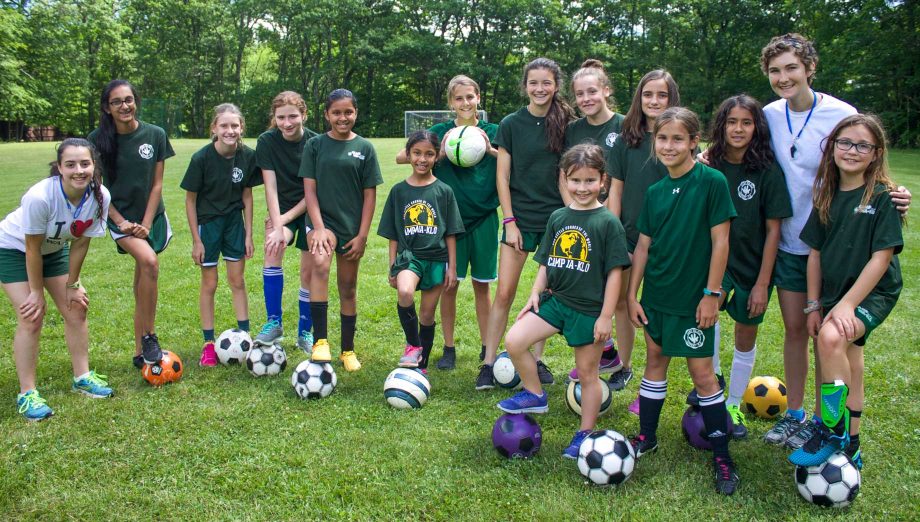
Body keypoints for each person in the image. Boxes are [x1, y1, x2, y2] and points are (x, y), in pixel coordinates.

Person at [756, 34, 913, 449]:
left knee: (827, 336)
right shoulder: (768, 114)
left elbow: (865, 159)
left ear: (810, 67)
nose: (783, 77)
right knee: (796, 328)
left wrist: (897, 196)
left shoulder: (841, 114)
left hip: (834, 244)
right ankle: (795, 415)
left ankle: (831, 426)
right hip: (793, 242)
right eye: (775, 70)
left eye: (792, 67)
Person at [626, 107, 740, 495]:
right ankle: (647, 437)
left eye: (678, 138)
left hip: (694, 301)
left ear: (695, 142)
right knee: (654, 362)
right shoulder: (656, 191)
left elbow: (721, 242)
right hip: (657, 296)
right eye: (662, 138)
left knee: (703, 375)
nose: (669, 146)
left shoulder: (712, 182)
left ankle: (722, 455)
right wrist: (631, 294)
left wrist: (711, 294)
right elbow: (643, 246)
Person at [497, 143, 629, 459]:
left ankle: (585, 433)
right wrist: (534, 293)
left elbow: (614, 274)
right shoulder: (558, 216)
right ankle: (534, 393)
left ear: (603, 181)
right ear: (565, 179)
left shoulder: (608, 222)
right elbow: (546, 261)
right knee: (514, 341)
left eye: (589, 181)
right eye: (575, 180)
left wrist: (605, 317)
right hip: (555, 302)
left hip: (588, 311)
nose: (582, 188)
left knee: (587, 373)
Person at [789, 114, 902, 470]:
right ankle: (851, 444)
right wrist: (813, 305)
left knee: (831, 340)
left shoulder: (882, 197)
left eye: (862, 145)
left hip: (872, 293)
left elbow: (882, 258)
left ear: (876, 153)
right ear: (832, 147)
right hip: (833, 291)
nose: (852, 151)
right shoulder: (826, 193)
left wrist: (849, 305)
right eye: (845, 143)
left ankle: (831, 429)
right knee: (849, 358)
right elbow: (815, 255)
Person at [687, 95, 792, 439]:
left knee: (745, 335)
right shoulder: (707, 163)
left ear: (756, 128)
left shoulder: (766, 170)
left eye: (746, 122)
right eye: (731, 122)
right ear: (721, 125)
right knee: (707, 318)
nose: (738, 129)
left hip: (752, 267)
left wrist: (763, 283)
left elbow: (774, 230)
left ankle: (734, 402)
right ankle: (713, 388)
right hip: (716, 264)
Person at [479, 57, 575, 390]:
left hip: (554, 221)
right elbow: (502, 176)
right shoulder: (511, 123)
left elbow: (569, 174)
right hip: (518, 219)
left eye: (546, 83)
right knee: (504, 293)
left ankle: (536, 360)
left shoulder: (566, 123)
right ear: (525, 85)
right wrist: (509, 222)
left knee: (546, 294)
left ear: (556, 86)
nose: (539, 89)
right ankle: (488, 362)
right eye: (533, 82)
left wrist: (572, 217)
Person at [0, 138, 114, 420]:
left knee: (77, 307)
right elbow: (31, 248)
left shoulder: (100, 196)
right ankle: (28, 394)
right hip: (13, 249)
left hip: (53, 250)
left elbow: (80, 244)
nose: (79, 170)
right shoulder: (40, 197)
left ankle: (82, 377)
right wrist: (36, 292)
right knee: (31, 315)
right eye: (70, 164)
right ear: (59, 168)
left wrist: (72, 285)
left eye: (85, 164)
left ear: (94, 165)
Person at [395, 75, 498, 371]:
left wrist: (489, 149)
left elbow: (512, 160)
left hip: (485, 218)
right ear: (451, 103)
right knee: (448, 285)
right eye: (459, 98)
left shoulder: (493, 131)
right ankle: (448, 347)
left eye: (470, 97)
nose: (465, 103)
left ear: (479, 97)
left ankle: (486, 345)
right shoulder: (441, 131)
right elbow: (405, 156)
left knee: (482, 286)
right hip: (450, 224)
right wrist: (437, 152)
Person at [606, 70, 681, 412]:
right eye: (648, 94)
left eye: (661, 95)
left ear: (671, 99)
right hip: (630, 235)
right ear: (639, 98)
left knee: (656, 308)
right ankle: (623, 365)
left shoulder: (674, 139)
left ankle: (652, 383)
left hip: (669, 239)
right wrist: (615, 232)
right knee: (623, 301)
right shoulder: (626, 139)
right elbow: (616, 190)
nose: (654, 101)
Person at [88, 79, 175, 368]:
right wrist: (122, 222)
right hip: (119, 219)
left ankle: (139, 352)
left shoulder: (156, 134)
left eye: (128, 99)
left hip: (151, 216)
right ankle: (150, 336)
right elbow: (98, 188)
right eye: (116, 102)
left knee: (142, 278)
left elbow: (157, 184)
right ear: (106, 108)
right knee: (149, 262)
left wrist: (147, 224)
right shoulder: (97, 140)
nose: (124, 106)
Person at [300, 88, 383, 371]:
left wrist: (362, 235)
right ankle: (320, 342)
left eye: (348, 112)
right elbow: (309, 191)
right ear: (327, 115)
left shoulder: (366, 148)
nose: (342, 117)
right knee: (320, 266)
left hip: (351, 227)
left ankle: (347, 350)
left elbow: (369, 195)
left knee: (348, 287)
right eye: (336, 112)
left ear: (355, 113)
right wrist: (319, 228)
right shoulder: (315, 146)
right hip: (322, 222)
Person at [181, 103, 262, 366]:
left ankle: (245, 337)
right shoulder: (201, 159)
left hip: (234, 224)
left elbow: (247, 196)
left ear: (242, 128)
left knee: (237, 281)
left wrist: (249, 234)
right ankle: (208, 343)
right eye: (224, 126)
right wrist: (196, 239)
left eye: (235, 126)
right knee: (210, 284)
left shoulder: (247, 156)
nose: (230, 130)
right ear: (214, 128)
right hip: (209, 225)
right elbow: (190, 200)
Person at [562, 59, 626, 383]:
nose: (586, 98)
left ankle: (623, 365)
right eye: (580, 94)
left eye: (592, 91)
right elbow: (565, 173)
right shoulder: (573, 129)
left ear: (606, 90)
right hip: (581, 223)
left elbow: (623, 176)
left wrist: (605, 222)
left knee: (622, 298)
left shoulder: (625, 125)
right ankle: (606, 352)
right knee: (588, 291)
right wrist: (574, 214)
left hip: (616, 223)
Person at [381, 131, 464, 372]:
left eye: (428, 154)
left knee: (427, 315)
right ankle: (413, 347)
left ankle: (422, 364)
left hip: (437, 260)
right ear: (408, 155)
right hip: (410, 257)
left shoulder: (444, 191)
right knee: (405, 292)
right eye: (416, 153)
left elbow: (450, 233)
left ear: (437, 156)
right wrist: (393, 265)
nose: (422, 159)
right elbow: (392, 233)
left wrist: (452, 267)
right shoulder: (399, 191)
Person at [253, 91, 319, 353]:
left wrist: (285, 220)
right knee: (272, 248)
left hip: (311, 208)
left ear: (304, 114)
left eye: (293, 116)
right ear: (275, 118)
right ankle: (274, 322)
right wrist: (278, 226)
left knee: (308, 270)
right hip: (280, 208)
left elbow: (312, 192)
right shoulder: (267, 141)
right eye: (281, 117)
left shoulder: (316, 143)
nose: (287, 123)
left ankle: (305, 330)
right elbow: (270, 186)